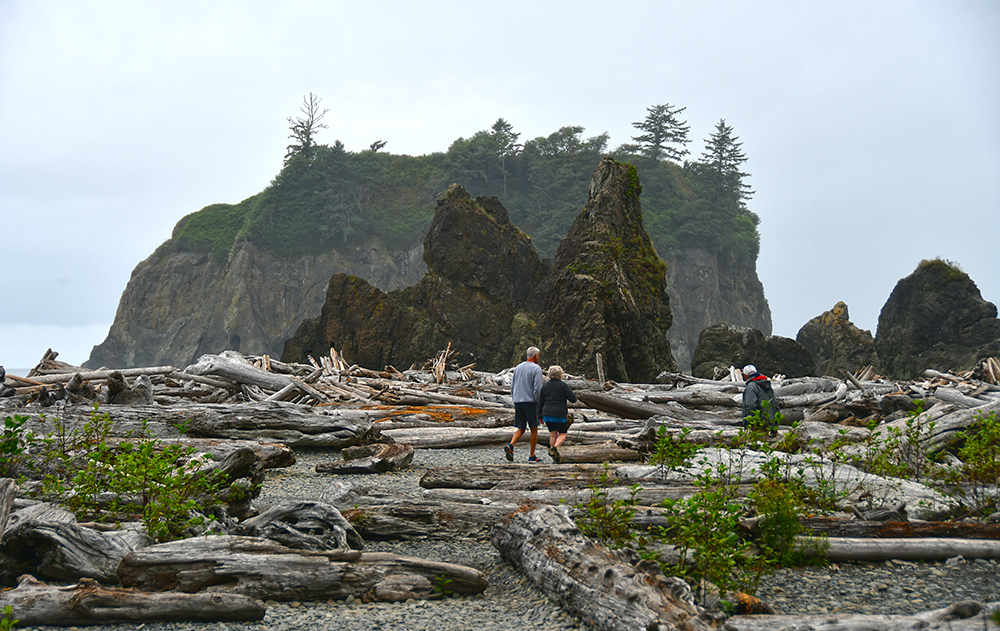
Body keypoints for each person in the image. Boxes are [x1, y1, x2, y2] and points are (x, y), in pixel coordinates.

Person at [505, 346, 544, 463]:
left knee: (521, 428)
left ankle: (511, 445)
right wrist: (539, 402)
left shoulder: (518, 368)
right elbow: (538, 388)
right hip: (530, 402)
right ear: (535, 355)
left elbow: (512, 385)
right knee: (534, 429)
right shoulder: (536, 369)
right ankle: (532, 455)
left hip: (518, 401)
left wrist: (514, 398)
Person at [538, 365, 577, 458]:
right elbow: (573, 399)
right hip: (559, 413)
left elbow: (540, 402)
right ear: (561, 375)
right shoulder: (563, 386)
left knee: (552, 435)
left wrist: (540, 416)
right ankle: (554, 449)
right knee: (563, 434)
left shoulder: (545, 387)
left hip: (547, 413)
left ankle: (552, 451)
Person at [741, 364, 778, 429]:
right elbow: (775, 405)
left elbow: (750, 405)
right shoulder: (768, 386)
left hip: (758, 426)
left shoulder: (751, 387)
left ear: (745, 376)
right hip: (770, 424)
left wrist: (750, 423)